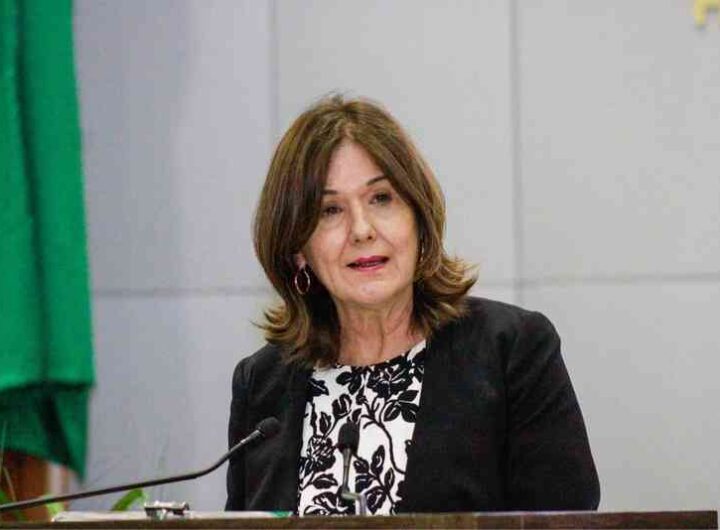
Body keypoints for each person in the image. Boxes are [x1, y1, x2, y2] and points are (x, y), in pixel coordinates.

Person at [226, 95, 600, 515]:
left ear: (418, 218)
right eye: (330, 210)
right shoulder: (262, 383)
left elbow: (564, 520)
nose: (362, 230)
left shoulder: (510, 351)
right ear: (298, 249)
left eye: (381, 198)